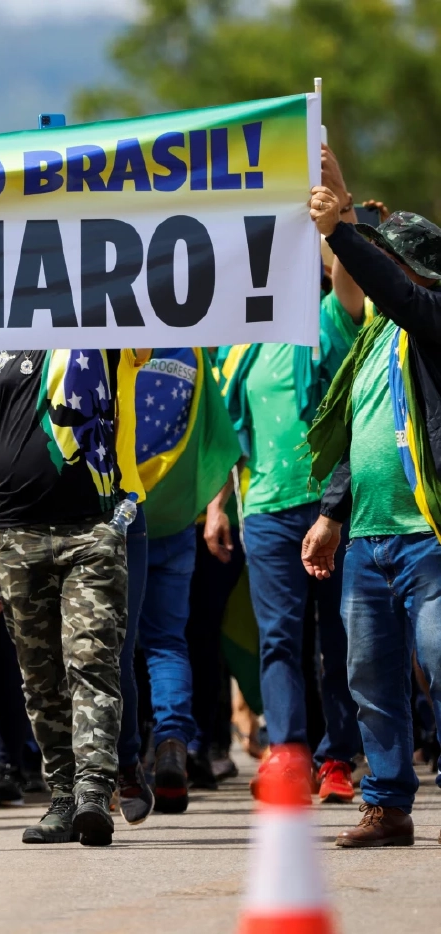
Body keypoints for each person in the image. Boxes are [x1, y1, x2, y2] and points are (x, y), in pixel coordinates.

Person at [0, 348, 141, 847]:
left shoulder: (107, 330)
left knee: (91, 660)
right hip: (16, 536)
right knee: (39, 675)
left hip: (93, 530)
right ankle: (63, 797)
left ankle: (94, 791)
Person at [218, 146, 365, 804]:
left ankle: (339, 758)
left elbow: (352, 284)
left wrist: (339, 198)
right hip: (267, 510)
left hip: (332, 508)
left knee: (338, 639)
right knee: (279, 638)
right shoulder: (239, 344)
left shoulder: (327, 321)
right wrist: (221, 505)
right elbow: (231, 437)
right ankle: (288, 753)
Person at [303, 188, 441, 846]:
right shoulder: (373, 341)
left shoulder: (432, 317)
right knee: (368, 674)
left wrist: (341, 232)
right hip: (369, 539)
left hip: (428, 539)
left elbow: (395, 290)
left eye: (394, 263)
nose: (384, 273)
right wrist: (333, 514)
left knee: (440, 657)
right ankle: (387, 806)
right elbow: (364, 431)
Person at [127, 349, 241, 814]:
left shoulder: (107, 338)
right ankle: (172, 741)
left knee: (111, 645)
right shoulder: (191, 351)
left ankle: (124, 762)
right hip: (177, 520)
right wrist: (215, 509)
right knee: (168, 643)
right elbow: (221, 441)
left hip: (118, 517)